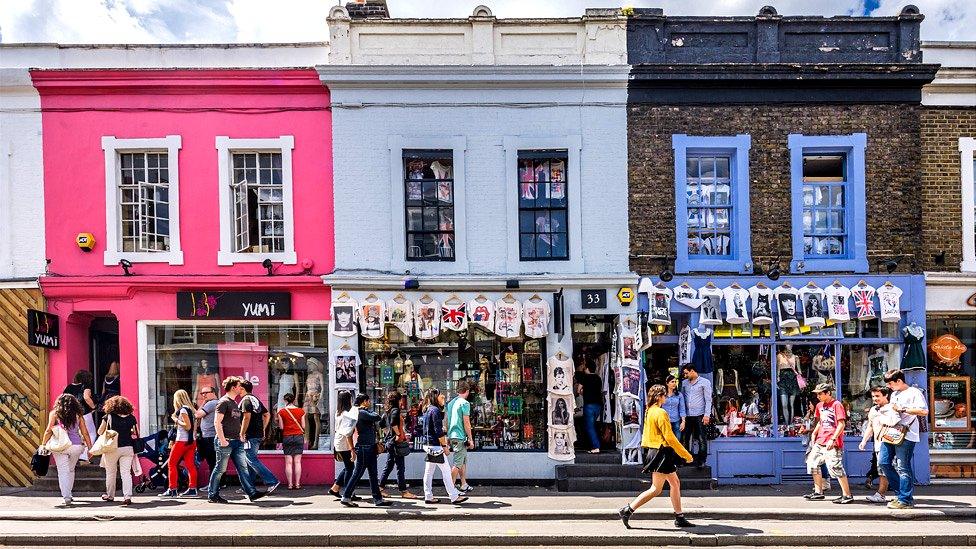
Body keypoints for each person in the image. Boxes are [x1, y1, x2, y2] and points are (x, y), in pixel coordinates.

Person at [618, 384, 695, 529]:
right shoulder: (660, 413)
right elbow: (670, 437)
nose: (666, 397)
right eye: (665, 395)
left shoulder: (649, 411)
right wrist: (685, 454)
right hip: (661, 452)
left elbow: (648, 435)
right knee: (656, 489)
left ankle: (679, 516)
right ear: (659, 396)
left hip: (655, 451)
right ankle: (627, 510)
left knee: (675, 483)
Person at [207, 376, 266, 504]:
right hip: (225, 441)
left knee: (243, 468)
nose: (241, 388)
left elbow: (235, 421)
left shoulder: (234, 402)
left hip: (237, 441)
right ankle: (213, 495)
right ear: (233, 387)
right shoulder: (223, 402)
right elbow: (217, 422)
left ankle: (252, 493)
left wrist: (240, 435)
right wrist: (222, 440)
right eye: (239, 386)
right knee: (220, 469)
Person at [881, 369, 929, 509]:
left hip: (907, 434)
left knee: (903, 466)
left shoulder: (914, 392)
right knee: (883, 462)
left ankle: (905, 500)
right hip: (892, 431)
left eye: (890, 383)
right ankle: (900, 494)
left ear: (899, 381)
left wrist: (902, 409)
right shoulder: (895, 393)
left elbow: (924, 411)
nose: (889, 386)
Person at [804, 383, 853, 504]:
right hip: (820, 440)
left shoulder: (837, 405)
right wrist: (815, 433)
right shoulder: (819, 406)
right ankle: (818, 492)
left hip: (832, 441)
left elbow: (841, 424)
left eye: (820, 393)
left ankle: (847, 495)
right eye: (817, 394)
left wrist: (833, 438)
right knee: (812, 463)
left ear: (828, 393)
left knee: (835, 466)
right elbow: (820, 421)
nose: (818, 396)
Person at [340, 393, 391, 507]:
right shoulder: (361, 412)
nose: (369, 403)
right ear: (363, 401)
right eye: (368, 401)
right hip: (364, 447)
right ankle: (346, 496)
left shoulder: (362, 412)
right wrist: (367, 410)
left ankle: (378, 499)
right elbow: (377, 416)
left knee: (373, 474)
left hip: (370, 446)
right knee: (357, 473)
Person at [41, 394, 92, 505]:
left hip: (60, 446)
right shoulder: (78, 415)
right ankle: (69, 493)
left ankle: (67, 497)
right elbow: (85, 432)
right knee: (71, 469)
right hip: (76, 446)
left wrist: (43, 444)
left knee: (63, 471)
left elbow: (49, 430)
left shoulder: (54, 413)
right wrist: (90, 448)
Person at [420, 388, 468, 505]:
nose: (443, 398)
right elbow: (438, 432)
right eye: (441, 396)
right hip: (436, 446)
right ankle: (454, 496)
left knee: (428, 472)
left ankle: (428, 495)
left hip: (428, 444)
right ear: (435, 397)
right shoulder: (435, 410)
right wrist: (445, 446)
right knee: (446, 472)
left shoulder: (427, 409)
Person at [239, 380, 281, 493]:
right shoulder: (255, 399)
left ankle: (272, 481)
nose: (237, 389)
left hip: (250, 435)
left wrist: (242, 433)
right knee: (249, 460)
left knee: (251, 459)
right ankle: (248, 486)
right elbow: (267, 415)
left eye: (239, 387)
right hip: (256, 434)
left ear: (242, 389)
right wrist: (262, 429)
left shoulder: (246, 400)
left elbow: (246, 418)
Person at [859, 386, 897, 503]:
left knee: (890, 468)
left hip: (891, 443)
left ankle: (895, 494)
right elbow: (870, 426)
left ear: (886, 395)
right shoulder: (873, 410)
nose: (875, 398)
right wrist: (864, 440)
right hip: (878, 444)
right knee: (882, 469)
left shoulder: (892, 408)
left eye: (877, 396)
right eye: (873, 396)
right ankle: (884, 494)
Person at [98, 395, 139, 505]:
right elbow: (136, 433)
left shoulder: (108, 417)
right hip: (128, 447)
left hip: (112, 448)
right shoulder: (131, 417)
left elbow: (100, 432)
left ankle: (110, 495)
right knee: (126, 473)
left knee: (111, 472)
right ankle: (127, 496)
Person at [379, 391, 418, 499]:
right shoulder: (395, 410)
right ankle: (404, 491)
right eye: (401, 399)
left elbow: (382, 424)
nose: (402, 401)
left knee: (390, 465)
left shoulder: (387, 411)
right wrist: (398, 434)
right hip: (396, 442)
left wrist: (388, 434)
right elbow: (393, 423)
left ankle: (380, 487)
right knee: (400, 467)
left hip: (390, 442)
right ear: (398, 400)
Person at [161, 389, 198, 497]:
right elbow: (194, 427)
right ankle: (192, 488)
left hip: (181, 441)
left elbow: (187, 426)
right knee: (190, 466)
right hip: (191, 441)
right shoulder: (192, 410)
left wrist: (176, 420)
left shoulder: (183, 410)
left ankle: (172, 489)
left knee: (171, 464)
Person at [680, 364, 712, 468]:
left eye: (686, 373)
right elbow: (682, 399)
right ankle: (686, 459)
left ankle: (701, 461)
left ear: (692, 371)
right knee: (685, 438)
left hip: (700, 415)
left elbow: (708, 400)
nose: (685, 375)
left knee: (701, 438)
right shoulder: (684, 383)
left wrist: (707, 415)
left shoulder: (705, 382)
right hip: (687, 415)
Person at [446, 380, 475, 493]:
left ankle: (463, 484)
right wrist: (471, 439)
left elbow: (447, 421)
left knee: (462, 461)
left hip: (452, 435)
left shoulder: (451, 403)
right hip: (460, 436)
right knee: (458, 463)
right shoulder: (464, 403)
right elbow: (466, 423)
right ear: (467, 391)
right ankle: (451, 489)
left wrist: (448, 436)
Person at [329, 390, 358, 498]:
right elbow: (348, 434)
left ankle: (335, 488)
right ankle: (349, 493)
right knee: (350, 468)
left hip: (338, 441)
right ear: (348, 400)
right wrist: (352, 450)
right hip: (344, 443)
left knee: (348, 467)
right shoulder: (346, 415)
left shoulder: (338, 412)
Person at [63, 370, 97, 462]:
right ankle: (84, 456)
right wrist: (94, 407)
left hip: (71, 414)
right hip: (84, 413)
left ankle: (75, 455)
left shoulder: (69, 387)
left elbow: (64, 399)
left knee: (75, 434)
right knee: (91, 433)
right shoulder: (85, 386)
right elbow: (86, 397)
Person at [276, 393, 306, 490]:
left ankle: (289, 484)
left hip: (287, 437)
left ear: (285, 401)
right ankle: (297, 484)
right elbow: (304, 426)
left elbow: (281, 427)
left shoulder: (281, 412)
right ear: (294, 400)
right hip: (298, 436)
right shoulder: (301, 411)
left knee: (288, 462)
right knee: (298, 462)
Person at [576, 361, 604, 454]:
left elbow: (578, 389)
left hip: (589, 405)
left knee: (590, 426)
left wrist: (583, 393)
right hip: (598, 405)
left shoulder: (585, 377)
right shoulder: (598, 378)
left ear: (587, 369)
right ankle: (594, 445)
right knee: (593, 425)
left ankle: (596, 446)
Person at [194, 386, 219, 475]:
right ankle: (220, 483)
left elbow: (197, 415)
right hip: (213, 435)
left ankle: (213, 485)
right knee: (215, 461)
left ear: (213, 392)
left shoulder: (211, 404)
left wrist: (204, 402)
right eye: (202, 393)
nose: (203, 395)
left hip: (209, 436)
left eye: (206, 393)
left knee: (211, 461)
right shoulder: (217, 402)